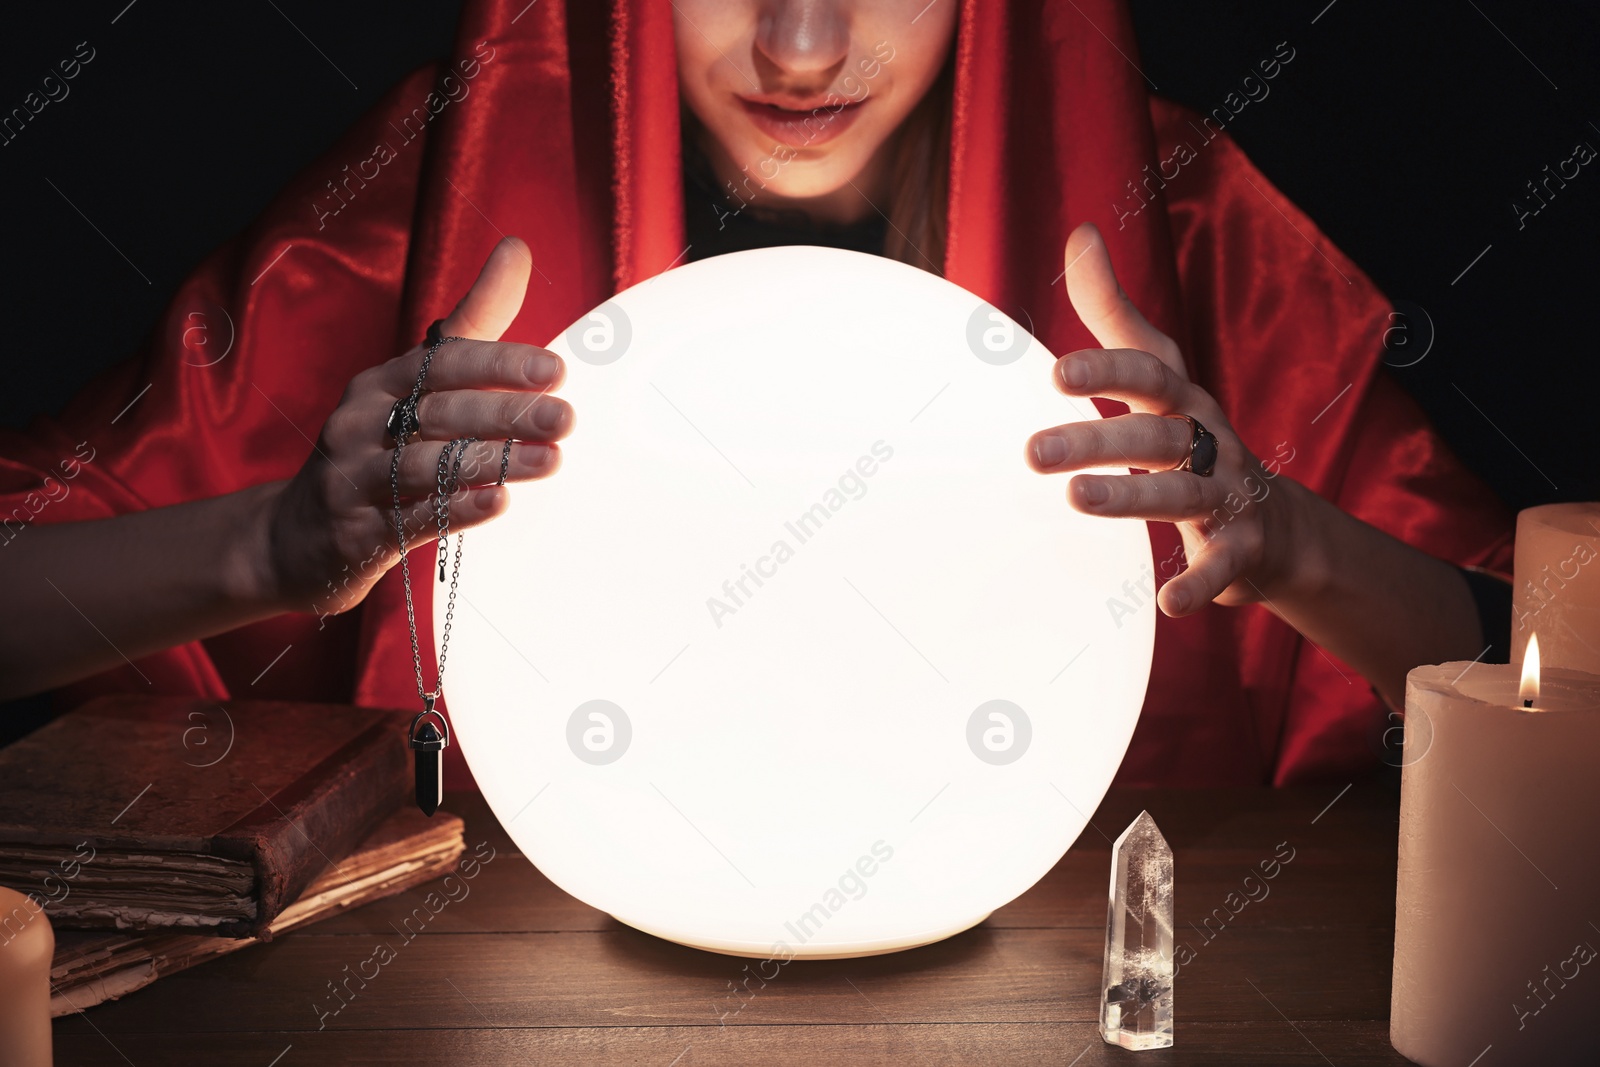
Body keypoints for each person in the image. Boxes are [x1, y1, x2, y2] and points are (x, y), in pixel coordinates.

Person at [0, 0, 1513, 788]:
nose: (799, 50)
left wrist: (1286, 539)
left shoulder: (1180, 235)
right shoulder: (425, 220)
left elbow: (1535, 680)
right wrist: (270, 549)